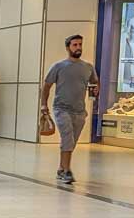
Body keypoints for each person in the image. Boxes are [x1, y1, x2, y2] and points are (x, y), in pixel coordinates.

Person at [41, 34, 98, 185]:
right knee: (67, 137)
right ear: (68, 48)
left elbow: (94, 82)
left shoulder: (88, 67)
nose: (78, 47)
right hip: (61, 108)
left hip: (79, 111)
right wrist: (44, 105)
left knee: (71, 142)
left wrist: (96, 88)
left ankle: (61, 168)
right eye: (75, 45)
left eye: (80, 44)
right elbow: (47, 86)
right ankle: (67, 171)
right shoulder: (59, 66)